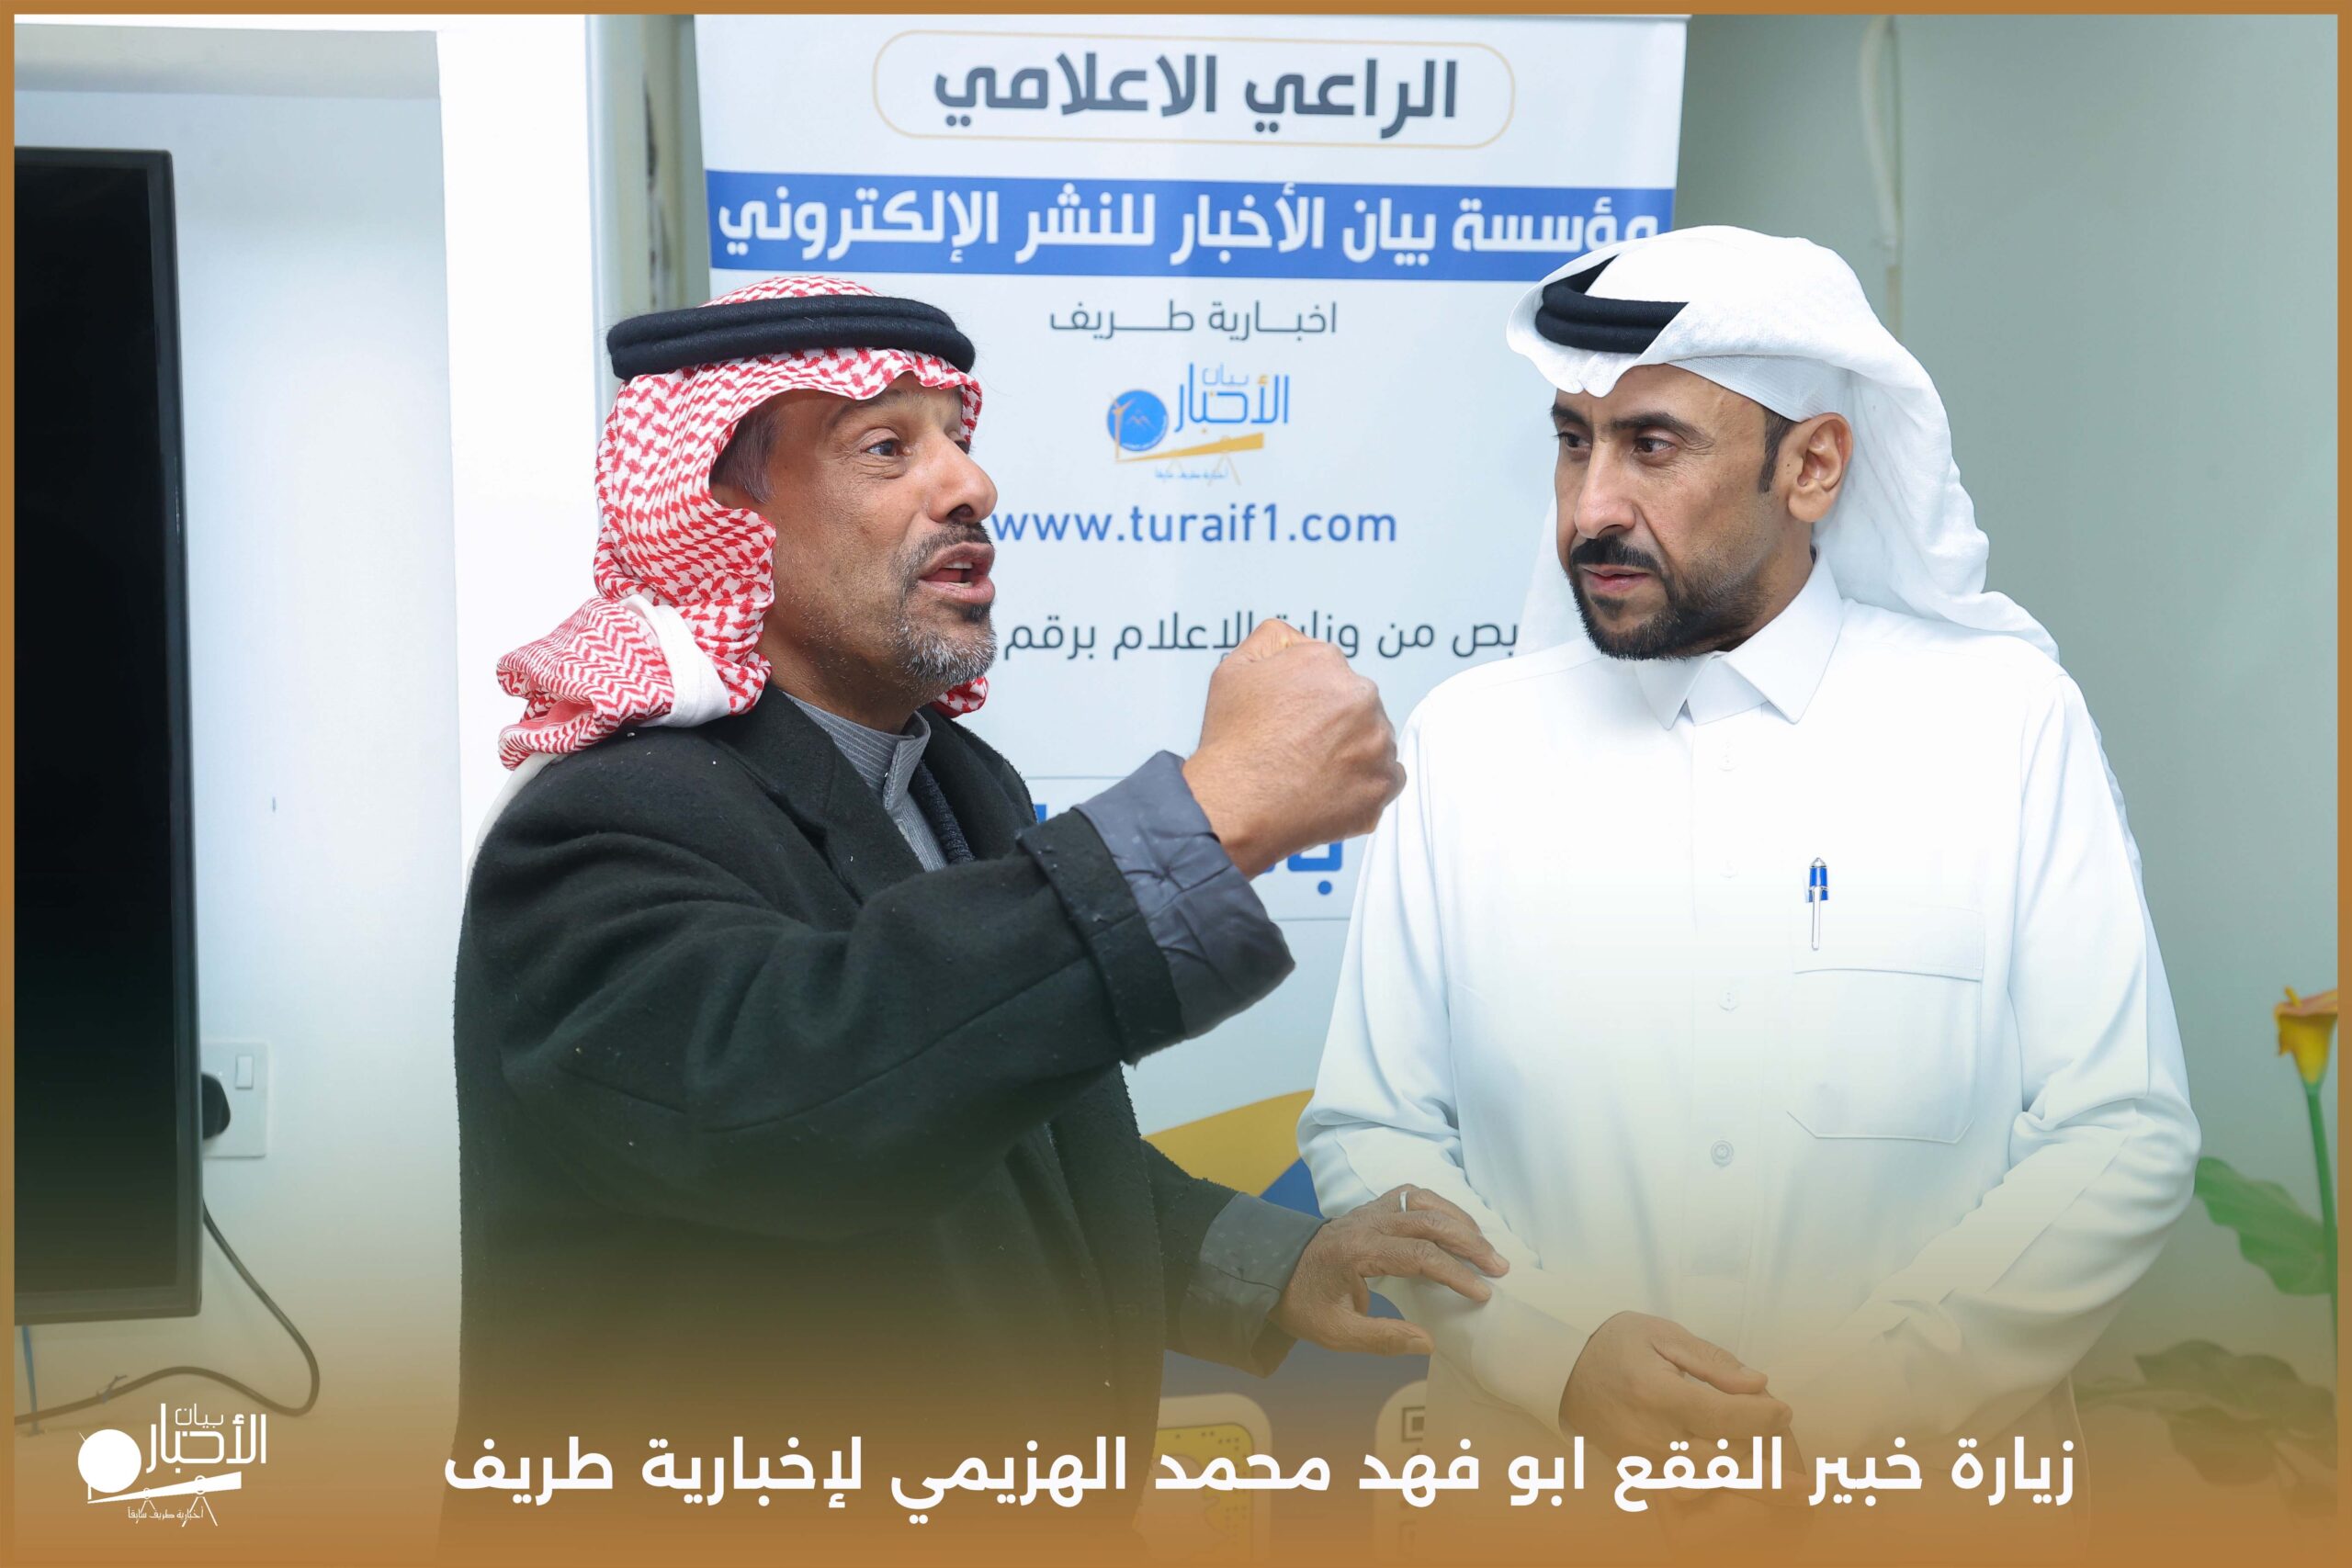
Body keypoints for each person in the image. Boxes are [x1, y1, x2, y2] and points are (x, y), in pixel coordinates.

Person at [444, 275, 1505, 1560]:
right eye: (886, 449)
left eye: (957, 438)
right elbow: (810, 1103)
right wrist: (1210, 818)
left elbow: (1016, 1143)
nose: (970, 487)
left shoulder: (959, 783)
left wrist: (1273, 1265)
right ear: (726, 514)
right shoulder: (598, 824)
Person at [1298, 226, 2198, 1551]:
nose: (1591, 507)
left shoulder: (2003, 722)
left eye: (1652, 447)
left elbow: (2120, 1129)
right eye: (1573, 443)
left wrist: (1838, 1410)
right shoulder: (1467, 744)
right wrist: (1559, 1356)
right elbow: (1374, 1127)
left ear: (1813, 465)